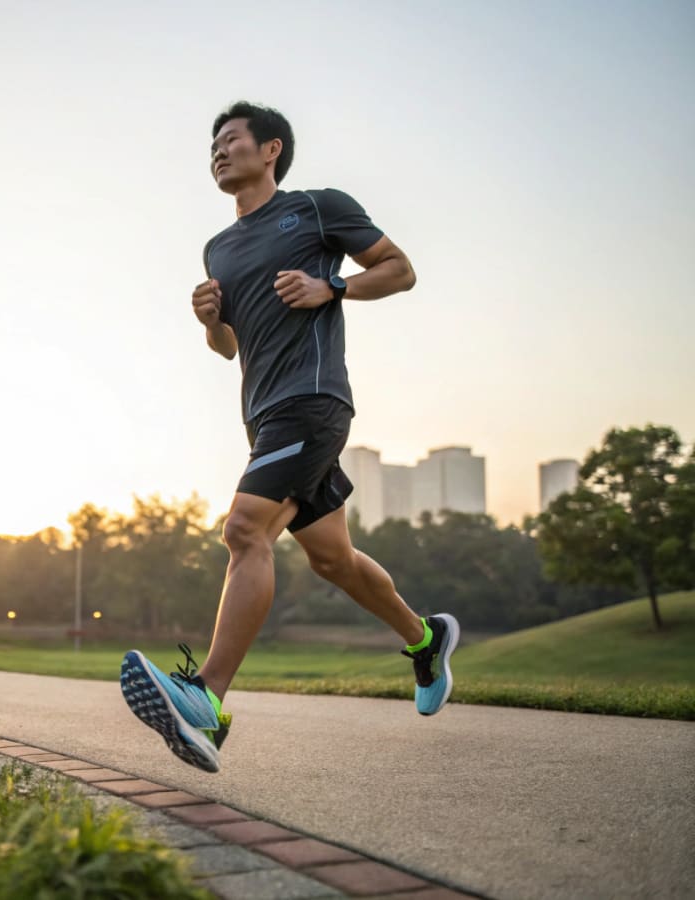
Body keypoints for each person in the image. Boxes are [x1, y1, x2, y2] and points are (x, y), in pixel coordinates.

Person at [120, 101, 459, 773]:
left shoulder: (316, 208)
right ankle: (425, 639)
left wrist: (330, 284)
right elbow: (227, 350)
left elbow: (399, 268)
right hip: (265, 415)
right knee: (331, 558)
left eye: (231, 140)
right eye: (212, 145)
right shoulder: (218, 247)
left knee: (246, 532)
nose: (218, 151)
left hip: (312, 403)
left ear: (270, 149)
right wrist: (210, 322)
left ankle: (204, 701)